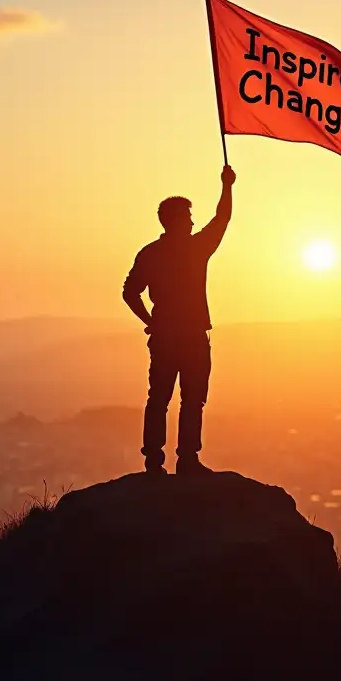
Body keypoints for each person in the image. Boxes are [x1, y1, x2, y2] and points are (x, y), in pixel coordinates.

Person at [123, 164, 235, 475]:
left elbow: (130, 292)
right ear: (175, 220)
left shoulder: (151, 253)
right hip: (191, 336)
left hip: (165, 336)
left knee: (160, 398)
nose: (192, 221)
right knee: (191, 399)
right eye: (187, 216)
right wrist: (227, 186)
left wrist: (150, 320)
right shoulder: (195, 248)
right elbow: (222, 219)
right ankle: (187, 460)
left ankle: (155, 462)